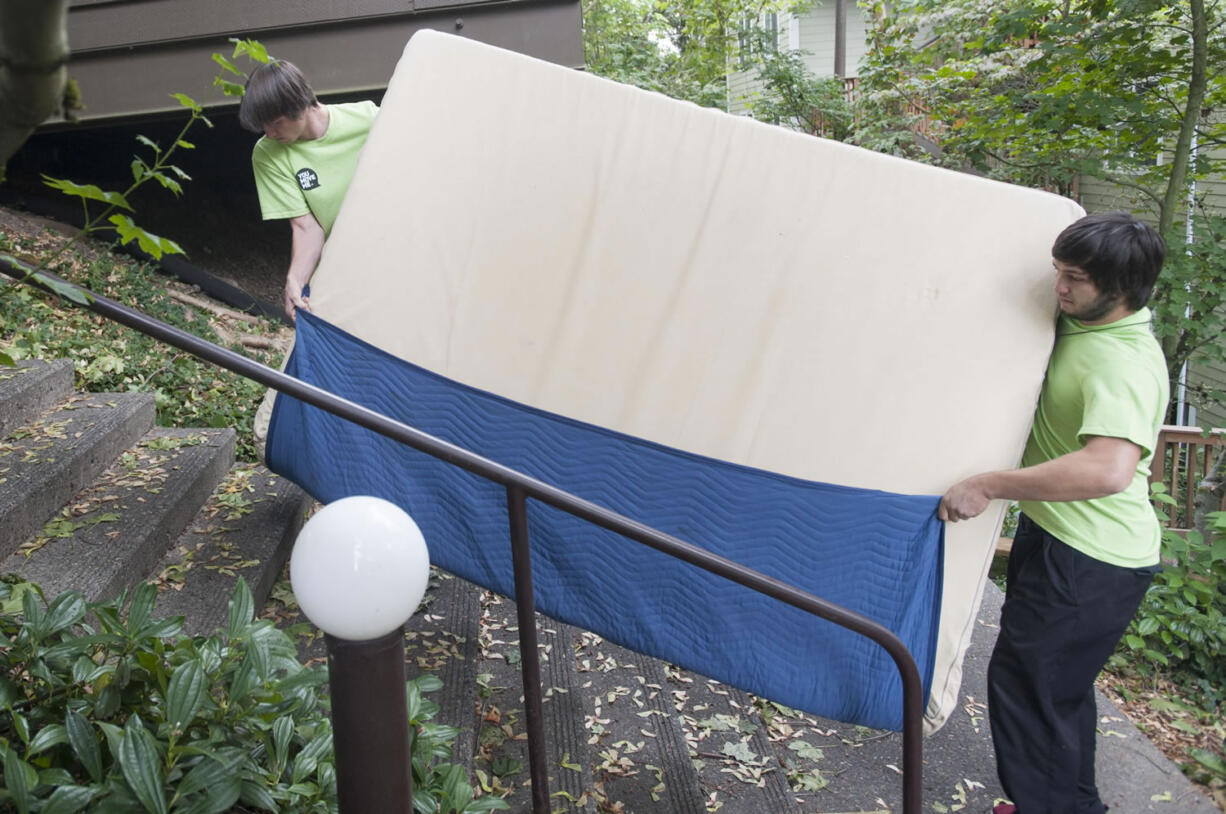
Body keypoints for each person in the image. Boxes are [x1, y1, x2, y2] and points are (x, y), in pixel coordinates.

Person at [939, 212, 1168, 814]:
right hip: (1059, 538)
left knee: (1029, 691)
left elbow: (1107, 468)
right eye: (1058, 272)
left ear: (1123, 288)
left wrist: (990, 484)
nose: (1060, 287)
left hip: (1093, 558)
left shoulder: (1126, 362)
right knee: (1053, 694)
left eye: (1076, 278)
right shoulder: (1083, 325)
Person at [238, 60, 378, 321]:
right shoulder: (267, 153)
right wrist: (294, 279)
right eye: (263, 125)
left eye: (276, 122)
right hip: (343, 270)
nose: (269, 132)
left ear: (300, 104)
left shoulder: (369, 118)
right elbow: (307, 227)